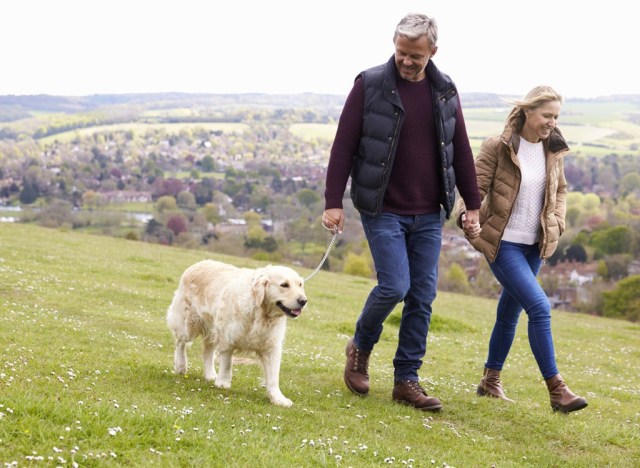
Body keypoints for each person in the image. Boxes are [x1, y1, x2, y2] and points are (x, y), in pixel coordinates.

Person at [322, 13, 481, 411]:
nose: (406, 62)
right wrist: (332, 201)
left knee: (423, 295)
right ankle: (359, 347)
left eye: (415, 56)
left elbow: (459, 149)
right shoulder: (370, 84)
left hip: (429, 211)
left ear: (433, 51)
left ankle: (406, 380)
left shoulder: (444, 90)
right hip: (382, 207)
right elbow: (343, 145)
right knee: (395, 286)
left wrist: (473, 205)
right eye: (401, 53)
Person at [454, 85, 588, 414]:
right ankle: (557, 390)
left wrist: (557, 222)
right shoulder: (497, 147)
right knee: (540, 308)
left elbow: (560, 191)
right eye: (547, 115)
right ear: (528, 112)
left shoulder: (552, 150)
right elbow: (475, 187)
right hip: (503, 244)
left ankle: (489, 380)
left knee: (509, 313)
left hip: (534, 246)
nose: (551, 123)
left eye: (556, 117)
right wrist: (465, 216)